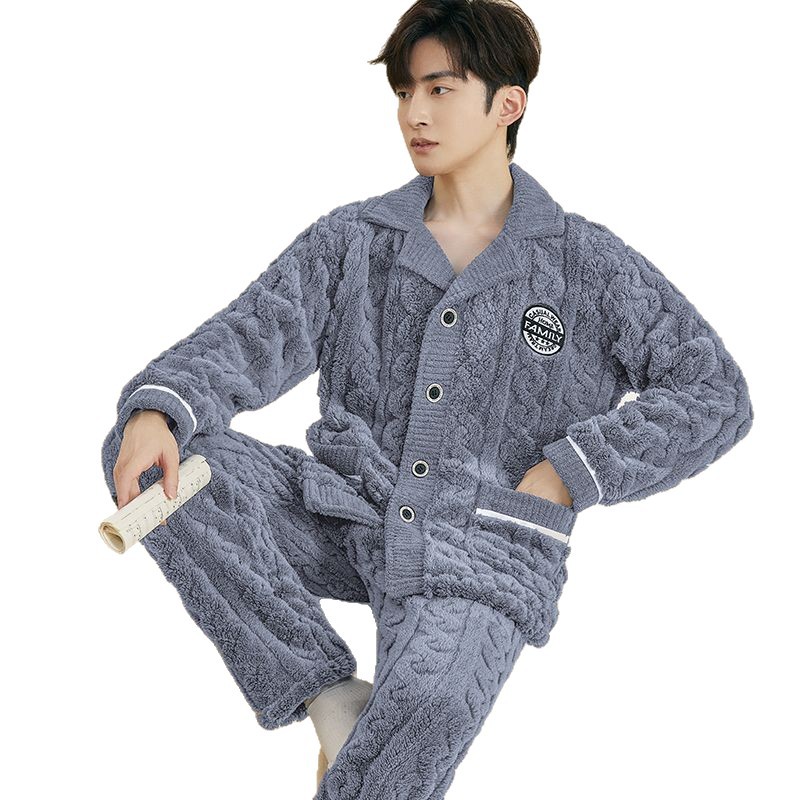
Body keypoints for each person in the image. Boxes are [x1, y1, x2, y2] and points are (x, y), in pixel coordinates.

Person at [101, 1, 754, 798]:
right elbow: (249, 335)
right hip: (343, 507)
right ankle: (326, 691)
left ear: (507, 104)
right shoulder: (354, 240)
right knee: (155, 460)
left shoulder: (589, 266)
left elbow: (713, 392)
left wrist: (563, 475)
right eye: (405, 92)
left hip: (484, 545)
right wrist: (159, 409)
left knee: (426, 710)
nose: (414, 113)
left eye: (440, 89)